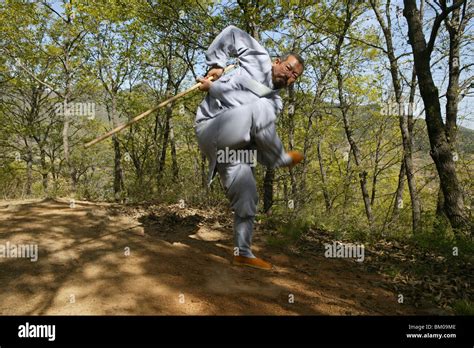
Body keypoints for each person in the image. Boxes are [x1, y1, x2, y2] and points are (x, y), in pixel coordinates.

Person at [195, 25, 304, 270]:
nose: (289, 76)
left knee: (247, 194)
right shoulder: (258, 58)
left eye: (295, 76)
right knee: (260, 109)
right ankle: (276, 159)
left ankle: (242, 252)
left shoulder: (275, 101)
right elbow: (232, 33)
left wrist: (214, 88)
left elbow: (250, 111)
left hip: (235, 144)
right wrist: (217, 64)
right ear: (277, 61)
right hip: (213, 124)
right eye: (288, 68)